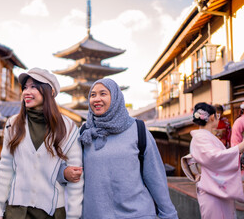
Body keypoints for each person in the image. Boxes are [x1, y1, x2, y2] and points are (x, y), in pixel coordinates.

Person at [61, 78, 178, 219]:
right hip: (95, 214)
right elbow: (63, 165)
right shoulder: (85, 132)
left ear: (116, 97)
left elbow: (155, 177)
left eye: (103, 94)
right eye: (93, 95)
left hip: (137, 214)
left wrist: (169, 214)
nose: (96, 99)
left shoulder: (137, 129)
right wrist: (64, 173)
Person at [0, 67, 83, 219]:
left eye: (33, 86)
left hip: (53, 212)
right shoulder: (13, 124)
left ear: (50, 91)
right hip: (16, 211)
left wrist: (74, 215)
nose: (26, 92)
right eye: (25, 87)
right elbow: (6, 169)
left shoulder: (68, 127)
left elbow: (76, 177)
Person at [189, 102, 244, 219]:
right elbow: (216, 158)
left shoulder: (206, 137)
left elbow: (221, 158)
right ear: (213, 117)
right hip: (211, 192)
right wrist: (241, 146)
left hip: (217, 189)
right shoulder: (200, 138)